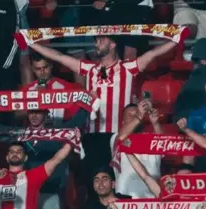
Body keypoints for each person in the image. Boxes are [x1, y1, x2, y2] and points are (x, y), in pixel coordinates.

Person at [27, 34, 179, 134]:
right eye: (96, 40)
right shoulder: (90, 68)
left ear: (113, 44)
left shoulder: (128, 68)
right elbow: (58, 56)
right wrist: (31, 43)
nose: (96, 43)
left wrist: (177, 39)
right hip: (92, 132)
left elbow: (152, 54)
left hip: (120, 133)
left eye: (101, 40)